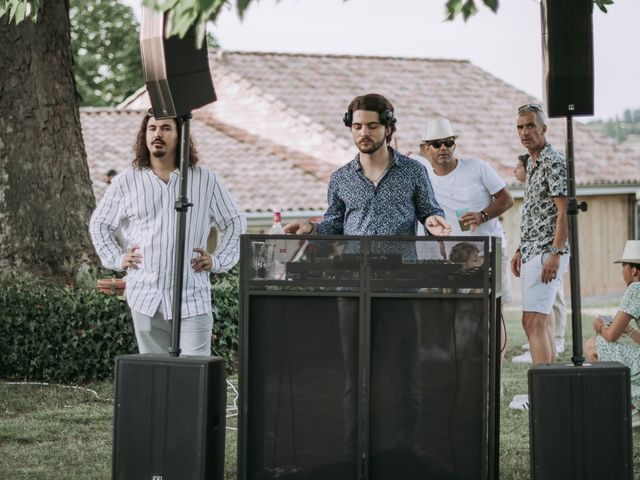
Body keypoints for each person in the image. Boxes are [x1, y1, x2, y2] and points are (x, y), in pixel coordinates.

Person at [284, 93, 450, 457]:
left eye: (372, 125)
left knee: (404, 372)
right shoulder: (341, 177)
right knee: (355, 376)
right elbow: (333, 224)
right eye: (357, 126)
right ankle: (355, 451)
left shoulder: (413, 171)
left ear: (388, 127)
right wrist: (311, 229)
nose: (364, 132)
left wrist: (434, 221)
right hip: (353, 285)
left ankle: (404, 450)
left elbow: (430, 210)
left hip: (400, 284)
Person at [89, 109, 246, 356]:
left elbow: (235, 222)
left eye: (165, 128)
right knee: (155, 376)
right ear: (144, 136)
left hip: (192, 295)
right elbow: (100, 224)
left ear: (180, 136)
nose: (157, 134)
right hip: (144, 295)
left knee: (195, 375)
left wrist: (218, 260)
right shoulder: (126, 182)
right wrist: (118, 258)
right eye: (152, 129)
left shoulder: (205, 180)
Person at [413, 117, 514, 303]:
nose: (443, 148)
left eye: (448, 142)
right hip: (458, 257)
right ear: (427, 149)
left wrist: (482, 216)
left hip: (490, 250)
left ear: (454, 146)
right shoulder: (426, 180)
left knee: (494, 310)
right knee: (463, 310)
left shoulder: (477, 167)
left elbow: (507, 199)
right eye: (436, 144)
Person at [511, 103, 570, 368]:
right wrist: (520, 249)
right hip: (533, 251)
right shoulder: (532, 162)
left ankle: (542, 392)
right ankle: (549, 388)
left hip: (548, 252)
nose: (525, 132)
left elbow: (563, 212)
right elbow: (536, 212)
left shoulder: (552, 161)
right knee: (541, 320)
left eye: (530, 126)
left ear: (544, 128)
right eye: (520, 127)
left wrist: (555, 254)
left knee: (532, 321)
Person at [584, 240, 640, 411]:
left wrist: (599, 325)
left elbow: (611, 336)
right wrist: (629, 330)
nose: (622, 272)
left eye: (623, 267)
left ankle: (620, 405)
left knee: (592, 345)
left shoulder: (635, 288)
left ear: (633, 270)